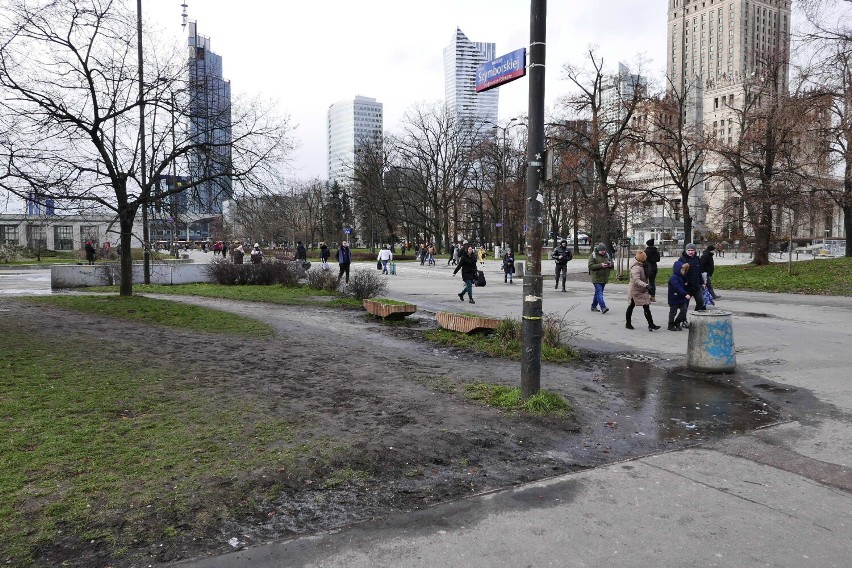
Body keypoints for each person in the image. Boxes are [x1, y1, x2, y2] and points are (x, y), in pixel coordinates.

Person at [625, 251, 661, 331]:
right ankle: (628, 323)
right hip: (635, 291)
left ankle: (651, 324)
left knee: (646, 306)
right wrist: (646, 285)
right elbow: (636, 280)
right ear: (641, 259)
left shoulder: (642, 265)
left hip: (642, 290)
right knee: (631, 306)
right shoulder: (636, 268)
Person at [673, 243, 705, 318]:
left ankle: (696, 317)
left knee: (701, 302)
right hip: (686, 288)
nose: (690, 252)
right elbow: (678, 273)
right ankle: (683, 320)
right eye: (689, 250)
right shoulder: (682, 260)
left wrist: (702, 282)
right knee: (685, 306)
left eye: (692, 250)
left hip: (696, 287)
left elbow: (699, 272)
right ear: (686, 250)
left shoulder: (697, 259)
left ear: (695, 251)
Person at [588, 242, 613, 314]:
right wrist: (600, 265)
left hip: (604, 277)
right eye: (602, 251)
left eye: (604, 250)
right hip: (596, 277)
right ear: (598, 250)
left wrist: (610, 265)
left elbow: (611, 264)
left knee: (598, 293)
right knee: (600, 292)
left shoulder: (607, 255)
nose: (603, 252)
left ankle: (593, 306)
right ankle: (603, 307)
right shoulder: (593, 255)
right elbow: (590, 266)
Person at [667, 263, 692, 331]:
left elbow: (684, 286)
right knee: (673, 312)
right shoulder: (673, 278)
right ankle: (670, 325)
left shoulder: (682, 277)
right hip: (674, 298)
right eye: (682, 270)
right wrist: (685, 294)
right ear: (678, 269)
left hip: (681, 298)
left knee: (684, 310)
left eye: (684, 270)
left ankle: (677, 322)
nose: (684, 272)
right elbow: (677, 287)